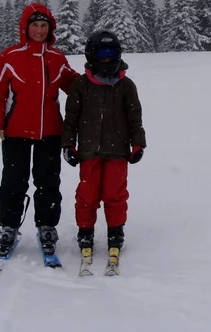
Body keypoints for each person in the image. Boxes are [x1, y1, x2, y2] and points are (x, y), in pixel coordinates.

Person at [0, 3, 79, 257]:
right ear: (25, 28)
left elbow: (75, 86)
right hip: (15, 132)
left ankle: (47, 226)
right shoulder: (10, 56)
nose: (39, 30)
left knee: (48, 181)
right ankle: (9, 227)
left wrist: (100, 79)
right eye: (34, 25)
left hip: (50, 132)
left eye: (43, 26)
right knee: (14, 182)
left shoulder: (57, 58)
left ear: (50, 29)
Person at [61, 29, 146, 256]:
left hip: (118, 151)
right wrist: (68, 145)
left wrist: (138, 144)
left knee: (115, 194)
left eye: (111, 52)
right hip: (89, 152)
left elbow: (134, 118)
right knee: (87, 195)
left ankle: (115, 231)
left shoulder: (126, 85)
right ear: (92, 55)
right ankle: (85, 231)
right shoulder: (81, 85)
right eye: (102, 53)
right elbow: (71, 119)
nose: (106, 58)